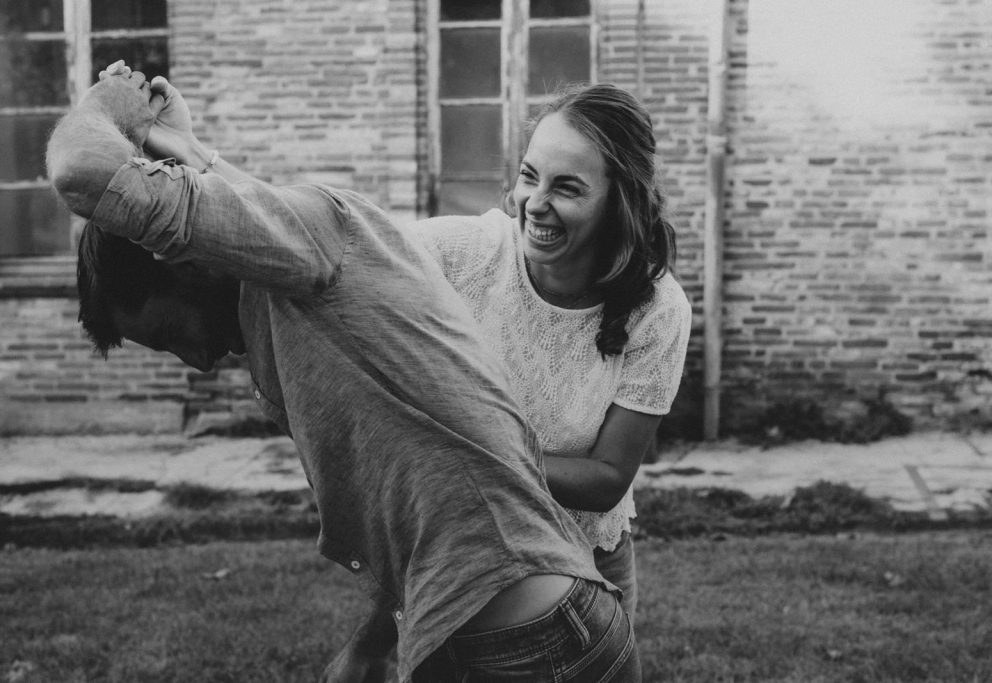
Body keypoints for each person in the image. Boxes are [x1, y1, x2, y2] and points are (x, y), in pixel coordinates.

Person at [46, 63, 641, 682]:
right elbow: (416, 503)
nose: (195, 361)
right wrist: (190, 150)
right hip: (527, 629)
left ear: (185, 260)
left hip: (536, 642)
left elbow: (79, 171)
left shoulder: (316, 238)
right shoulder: (288, 291)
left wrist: (110, 103)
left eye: (171, 337)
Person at [415, 83, 692, 620]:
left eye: (566, 188)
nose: (534, 204)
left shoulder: (657, 311)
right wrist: (207, 169)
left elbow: (608, 478)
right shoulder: (461, 254)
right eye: (528, 175)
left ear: (619, 201)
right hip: (455, 556)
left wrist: (471, 448)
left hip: (586, 564)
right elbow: (346, 243)